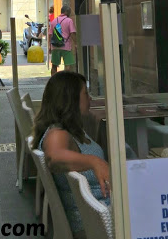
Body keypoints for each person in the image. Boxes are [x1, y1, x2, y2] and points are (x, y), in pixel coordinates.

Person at [32, 71, 110, 238]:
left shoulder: (69, 129)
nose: (90, 98)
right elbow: (54, 157)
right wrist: (94, 161)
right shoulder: (56, 133)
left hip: (97, 215)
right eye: (85, 93)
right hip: (94, 223)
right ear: (70, 99)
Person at [49, 5, 76, 75]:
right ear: (66, 12)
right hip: (66, 46)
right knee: (68, 65)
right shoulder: (69, 21)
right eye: (69, 12)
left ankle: (53, 81)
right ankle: (66, 81)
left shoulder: (54, 21)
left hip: (55, 46)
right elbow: (72, 33)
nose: (70, 13)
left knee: (54, 66)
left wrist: (49, 46)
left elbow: (50, 34)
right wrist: (76, 43)